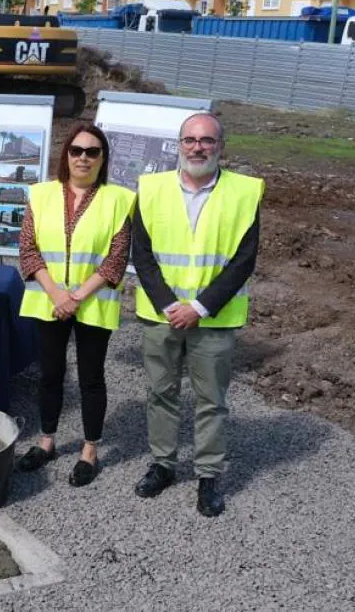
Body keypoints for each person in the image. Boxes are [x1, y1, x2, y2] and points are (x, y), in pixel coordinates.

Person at [131, 112, 263, 517]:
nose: (197, 147)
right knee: (161, 393)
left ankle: (208, 475)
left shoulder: (244, 193)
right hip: (163, 315)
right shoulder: (150, 189)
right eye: (190, 140)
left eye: (206, 140)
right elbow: (143, 255)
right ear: (178, 144)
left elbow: (244, 260)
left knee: (211, 401)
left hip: (214, 319)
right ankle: (163, 464)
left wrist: (200, 307)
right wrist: (171, 305)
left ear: (221, 146)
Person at [15, 122, 134, 487]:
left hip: (92, 303)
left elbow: (117, 257)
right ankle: (47, 441)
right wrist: (57, 295)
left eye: (92, 152)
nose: (83, 158)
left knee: (91, 377)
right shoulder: (40, 195)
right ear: (66, 155)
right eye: (76, 151)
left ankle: (89, 449)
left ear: (103, 159)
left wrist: (76, 297)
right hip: (49, 302)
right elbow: (28, 249)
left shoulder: (120, 199)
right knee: (50, 374)